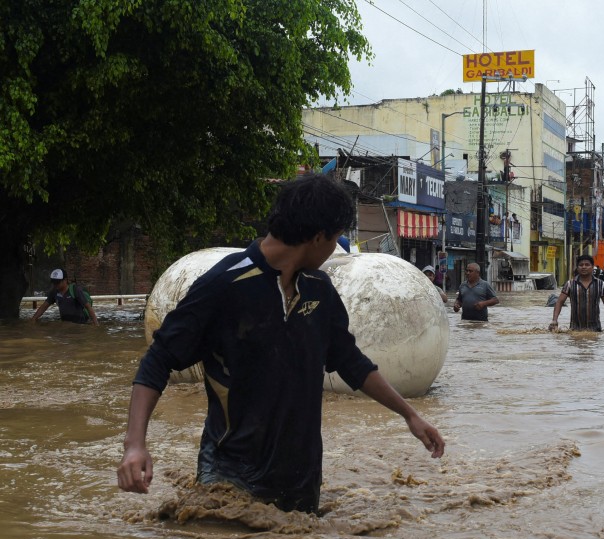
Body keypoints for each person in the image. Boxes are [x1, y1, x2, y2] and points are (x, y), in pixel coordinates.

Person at [117, 174, 445, 514]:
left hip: (301, 476)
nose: (335, 248)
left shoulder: (319, 289)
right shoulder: (224, 285)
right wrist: (135, 445)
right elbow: (157, 359)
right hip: (231, 473)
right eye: (335, 239)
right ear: (318, 237)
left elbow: (351, 362)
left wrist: (410, 415)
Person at [549, 254, 604, 332]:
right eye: (581, 265)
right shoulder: (570, 284)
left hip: (595, 331)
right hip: (574, 331)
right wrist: (554, 320)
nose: (584, 267)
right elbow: (559, 302)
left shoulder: (600, 284)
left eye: (587, 265)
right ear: (577, 267)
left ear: (592, 267)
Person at [32, 269, 99, 325]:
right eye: (54, 282)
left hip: (79, 325)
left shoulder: (75, 290)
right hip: (65, 324)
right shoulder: (54, 292)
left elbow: (88, 307)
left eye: (57, 282)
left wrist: (96, 324)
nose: (55, 285)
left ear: (65, 280)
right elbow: (44, 307)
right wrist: (33, 319)